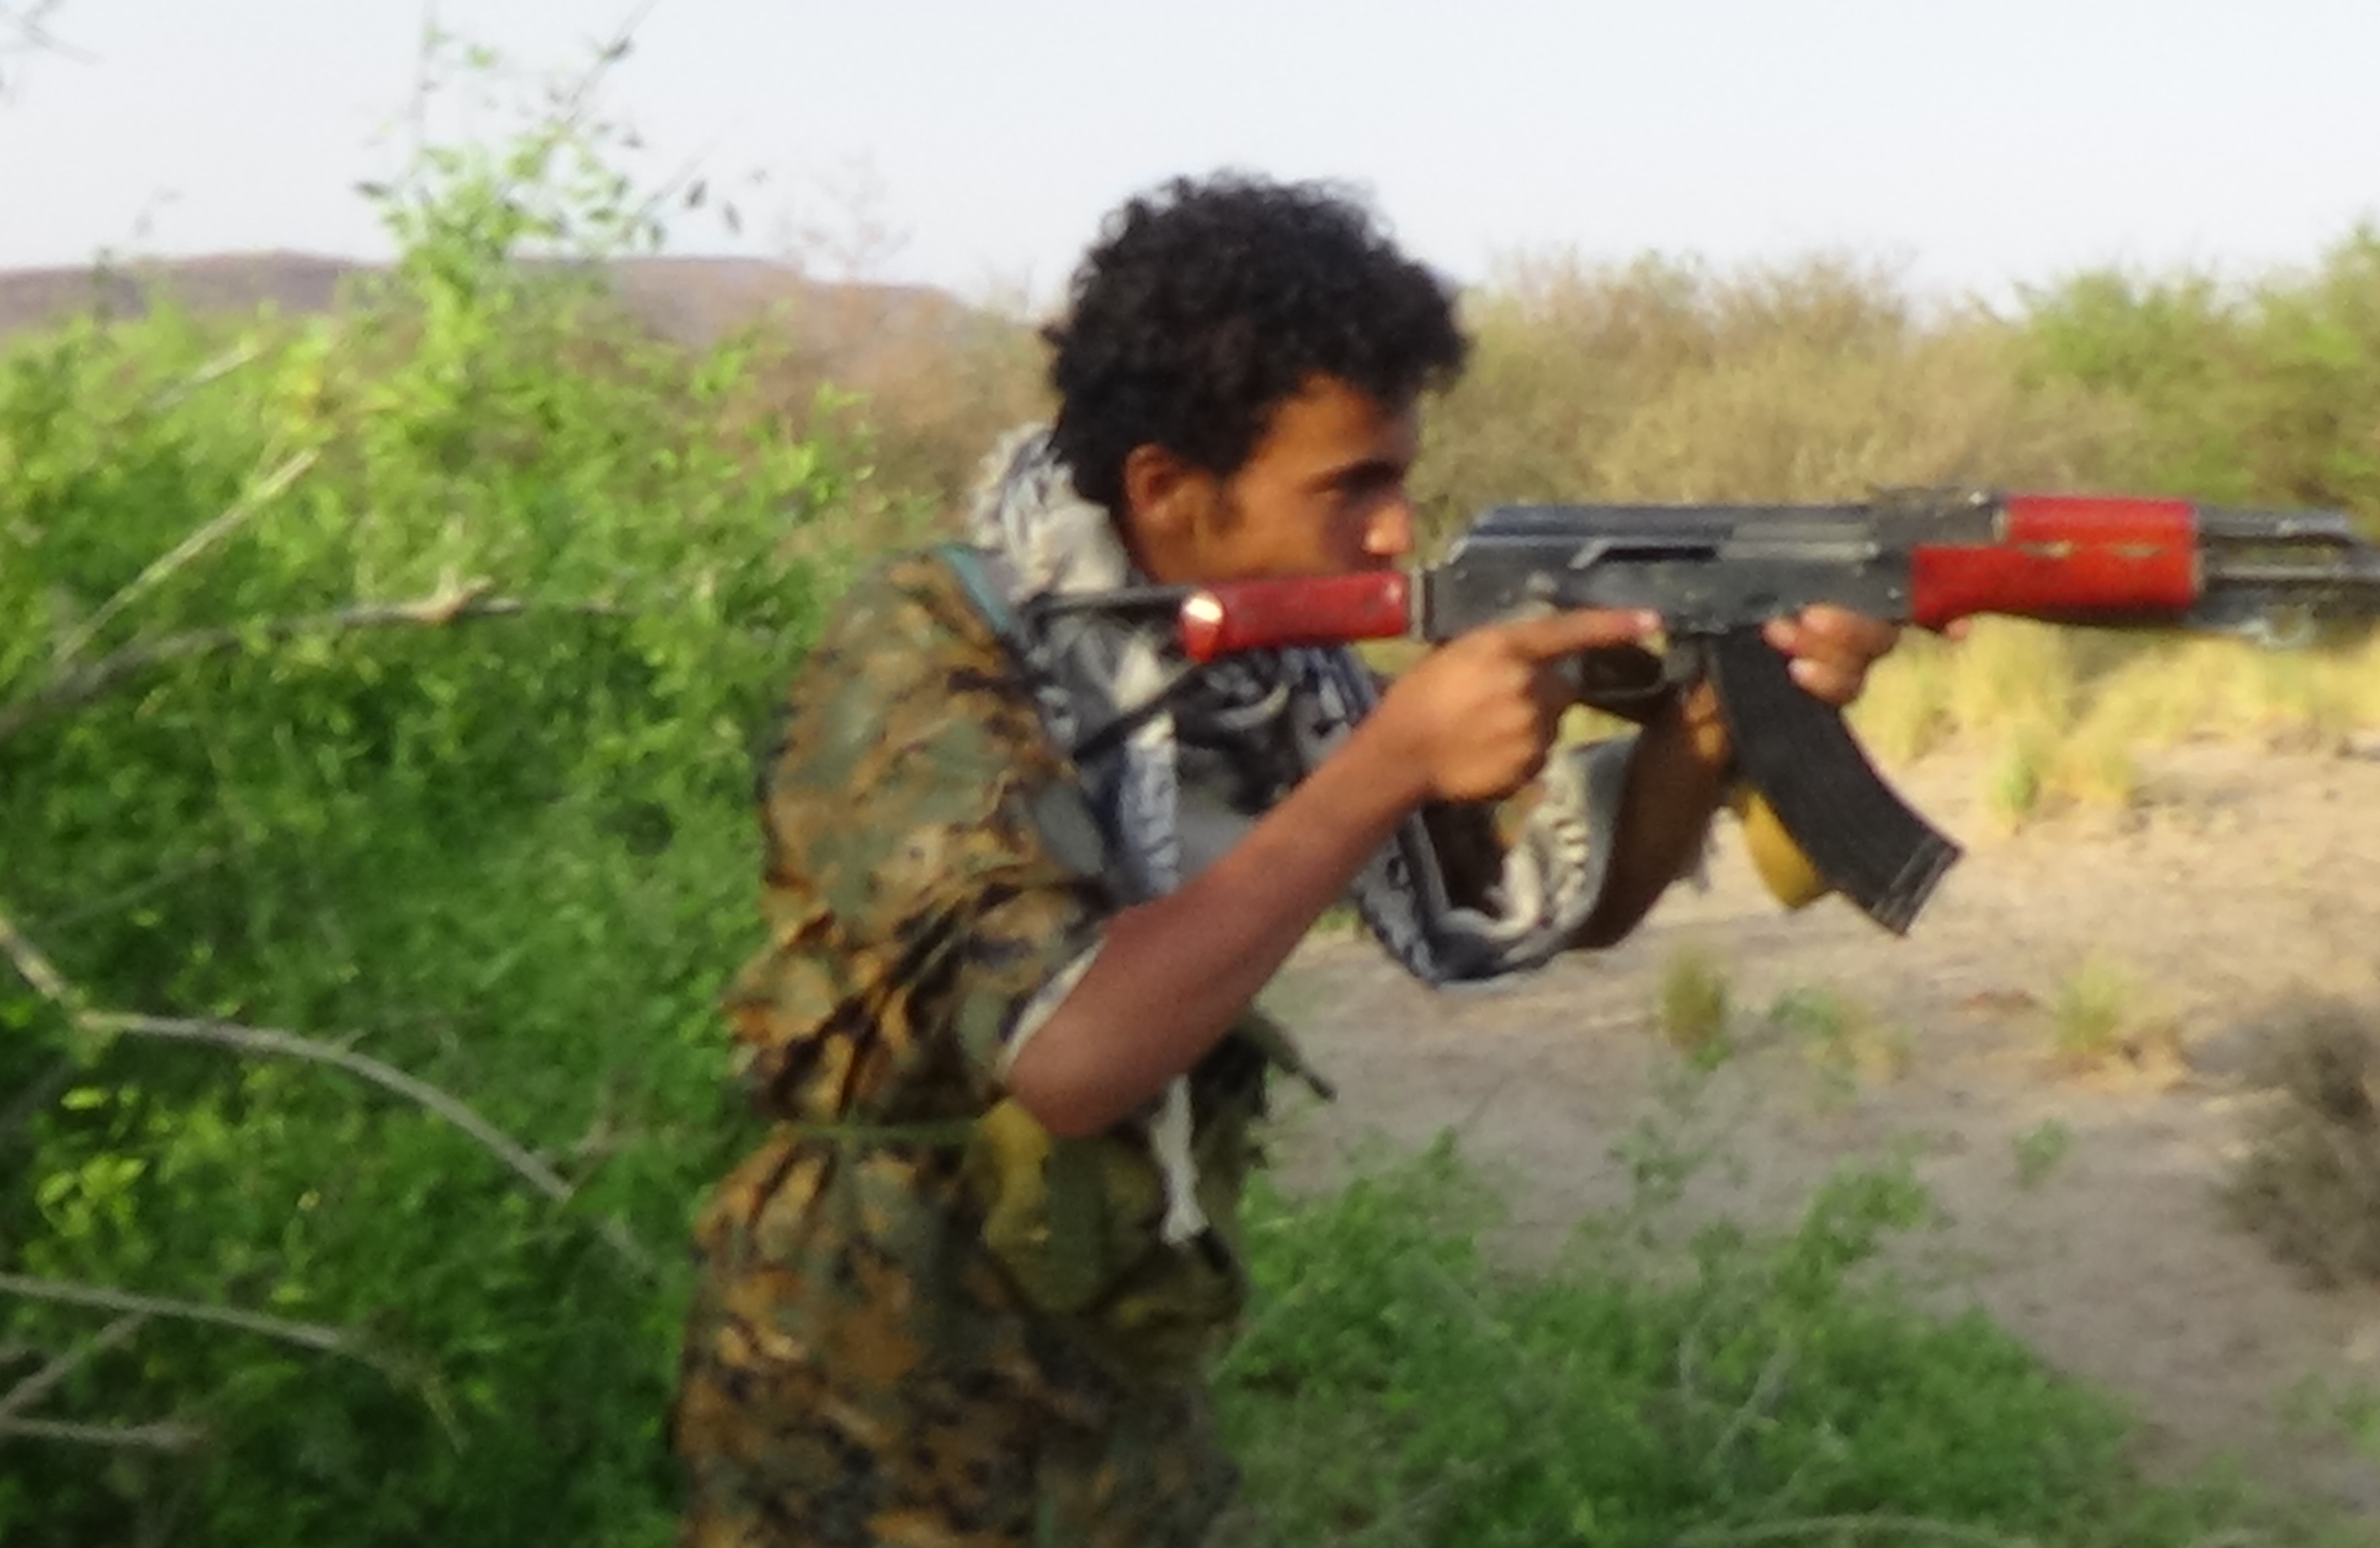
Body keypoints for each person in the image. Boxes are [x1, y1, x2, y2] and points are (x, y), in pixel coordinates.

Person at [669, 172, 1902, 1547]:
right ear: (1167, 490)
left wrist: (1726, 704)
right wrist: (1389, 765)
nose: (1394, 529)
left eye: (1400, 477)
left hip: (1121, 1375)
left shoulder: (1274, 678)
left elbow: (1531, 896)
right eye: (1350, 485)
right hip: (866, 1394)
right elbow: (1067, 1056)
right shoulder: (923, 650)